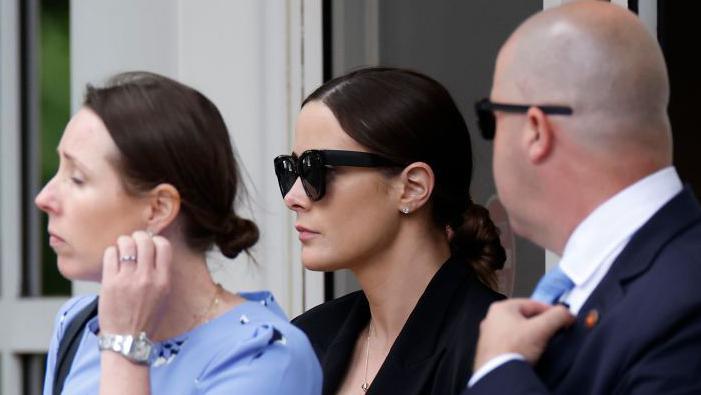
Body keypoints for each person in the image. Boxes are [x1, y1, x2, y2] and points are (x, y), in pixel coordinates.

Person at [464, 2, 701, 394]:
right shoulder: (628, 280)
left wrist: (500, 372)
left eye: (491, 118)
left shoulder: (682, 299)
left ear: (536, 130)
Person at [38, 71, 322, 395]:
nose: (44, 198)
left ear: (159, 208)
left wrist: (124, 347)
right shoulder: (79, 326)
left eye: (76, 178)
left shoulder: (264, 356)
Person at [275, 67, 506, 395]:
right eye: (291, 170)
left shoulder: (492, 349)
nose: (292, 197)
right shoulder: (309, 339)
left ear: (412, 187)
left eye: (316, 169)